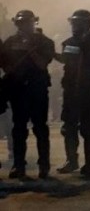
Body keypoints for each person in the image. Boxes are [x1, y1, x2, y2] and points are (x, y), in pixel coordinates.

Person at [1, 10, 55, 179]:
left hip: (37, 89)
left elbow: (42, 64)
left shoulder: (44, 42)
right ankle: (19, 165)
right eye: (21, 23)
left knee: (40, 128)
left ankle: (44, 165)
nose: (24, 26)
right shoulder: (10, 42)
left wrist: (31, 50)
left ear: (34, 23)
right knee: (18, 129)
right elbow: (4, 64)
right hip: (18, 91)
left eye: (27, 23)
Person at [55, 9, 90, 177]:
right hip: (71, 90)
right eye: (74, 23)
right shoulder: (68, 42)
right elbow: (65, 59)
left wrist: (88, 50)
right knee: (68, 128)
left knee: (89, 128)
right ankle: (72, 160)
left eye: (80, 23)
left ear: (89, 24)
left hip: (88, 90)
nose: (76, 26)